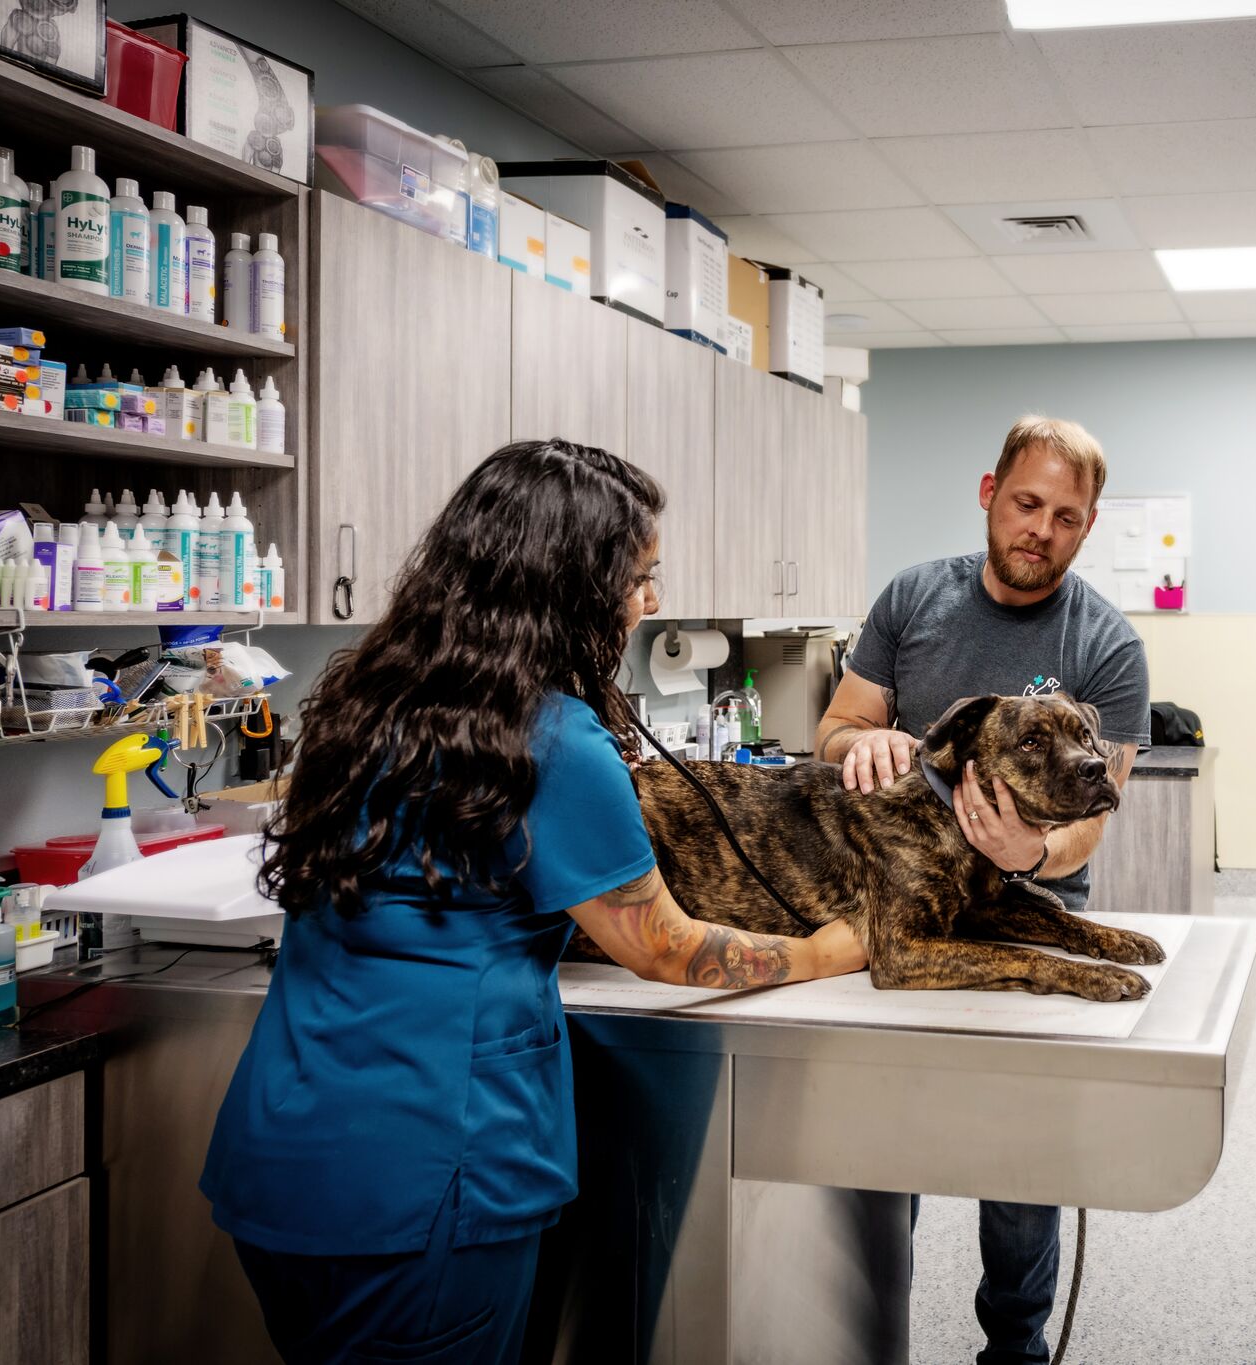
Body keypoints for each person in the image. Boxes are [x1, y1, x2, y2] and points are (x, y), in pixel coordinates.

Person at [199, 439, 866, 1365]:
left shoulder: (361, 701)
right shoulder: (551, 738)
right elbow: (664, 947)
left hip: (281, 1162)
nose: (652, 601)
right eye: (639, 576)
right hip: (429, 1180)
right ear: (572, 585)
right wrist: (827, 953)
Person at [815, 415, 1150, 1365]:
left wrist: (1030, 854)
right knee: (893, 1148)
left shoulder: (1107, 644)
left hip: (1033, 909)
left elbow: (1098, 800)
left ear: (1088, 528)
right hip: (904, 907)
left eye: (1065, 516)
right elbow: (836, 729)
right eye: (1026, 503)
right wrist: (864, 742)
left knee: (1020, 1161)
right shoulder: (914, 598)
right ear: (989, 494)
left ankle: (1018, 1347)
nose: (1039, 528)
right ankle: (873, 1335)